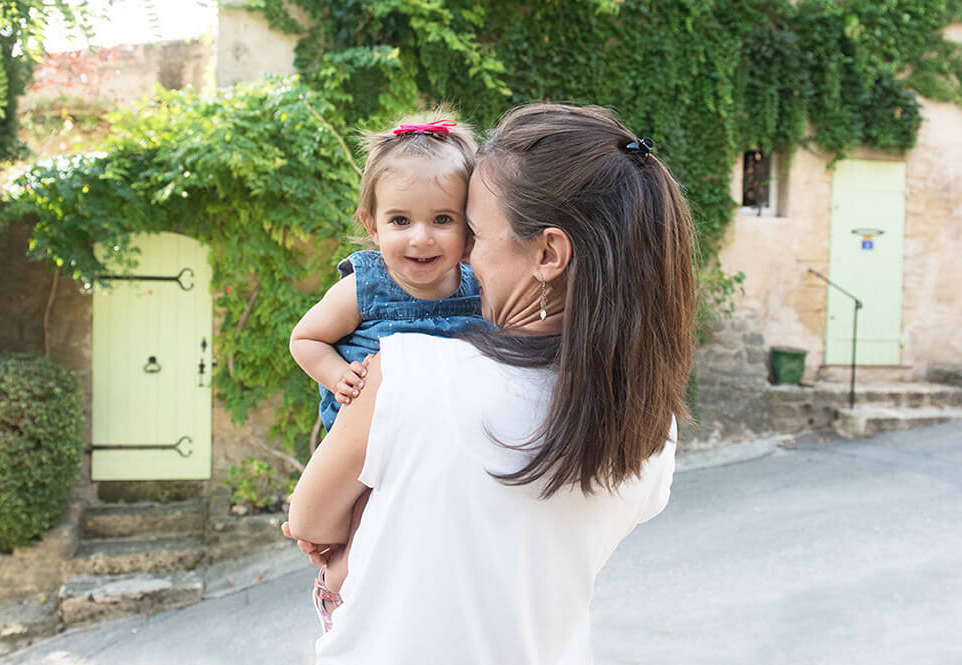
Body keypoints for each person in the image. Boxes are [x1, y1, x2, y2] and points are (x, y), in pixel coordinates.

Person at [283, 103, 697, 664]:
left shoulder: (407, 376)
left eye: (470, 231)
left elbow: (309, 520)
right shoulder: (647, 419)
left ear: (548, 253)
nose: (459, 253)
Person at [288, 110, 485, 631]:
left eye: (443, 219)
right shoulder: (366, 284)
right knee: (361, 523)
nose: (421, 238)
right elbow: (305, 338)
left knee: (412, 523)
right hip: (366, 432)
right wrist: (336, 376)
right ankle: (334, 589)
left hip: (433, 434)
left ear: (470, 228)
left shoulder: (479, 285)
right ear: (372, 225)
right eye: (401, 221)